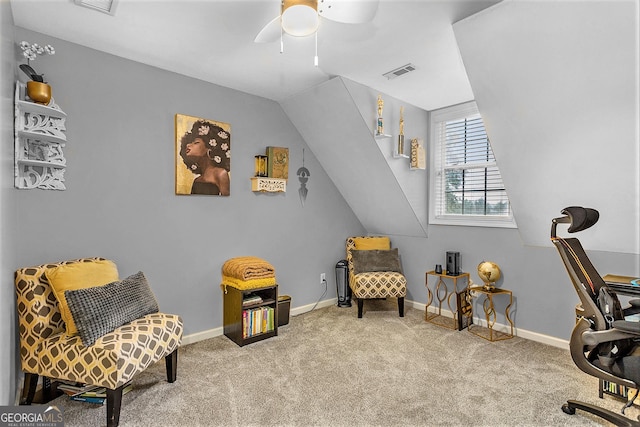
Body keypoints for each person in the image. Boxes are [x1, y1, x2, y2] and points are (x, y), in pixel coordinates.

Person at [179, 120, 231, 195]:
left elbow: (228, 202)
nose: (188, 145)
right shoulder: (197, 180)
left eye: (196, 142)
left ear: (209, 148)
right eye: (189, 143)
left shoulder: (220, 173)